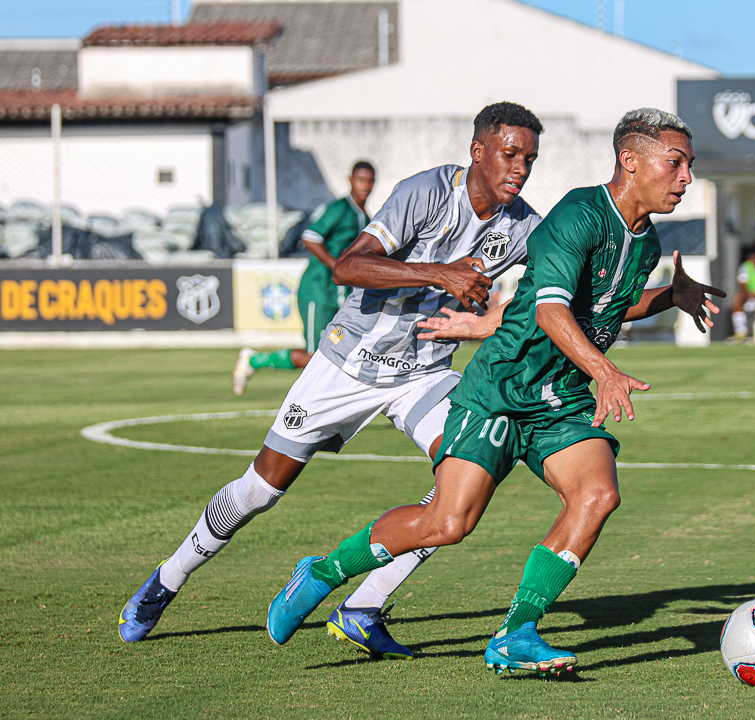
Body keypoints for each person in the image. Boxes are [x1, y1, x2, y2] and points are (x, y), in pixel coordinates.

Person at [264, 108, 725, 675]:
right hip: (502, 387)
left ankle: (516, 633)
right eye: (675, 163)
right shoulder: (579, 214)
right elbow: (552, 310)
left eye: (689, 166)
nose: (685, 178)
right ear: (630, 160)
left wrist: (665, 298)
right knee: (449, 524)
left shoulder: (646, 243)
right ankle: (323, 573)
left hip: (557, 398)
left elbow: (604, 308)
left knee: (597, 495)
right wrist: (604, 370)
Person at [119, 103, 547, 658]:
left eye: (530, 159)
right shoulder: (427, 192)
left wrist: (665, 294)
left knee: (464, 484)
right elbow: (349, 265)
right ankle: (166, 580)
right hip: (347, 363)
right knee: (260, 489)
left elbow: (564, 284)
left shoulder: (523, 226)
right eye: (511, 154)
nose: (520, 169)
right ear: (478, 150)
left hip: (422, 373)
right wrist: (438, 272)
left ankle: (363, 605)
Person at [233, 161, 376, 396]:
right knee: (317, 357)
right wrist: (336, 266)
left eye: (369, 181)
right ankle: (255, 361)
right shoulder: (339, 209)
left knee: (339, 351)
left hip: (340, 295)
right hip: (317, 291)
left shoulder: (364, 216)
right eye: (361, 180)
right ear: (350, 180)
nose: (365, 185)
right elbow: (310, 237)